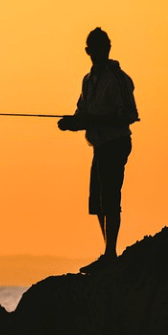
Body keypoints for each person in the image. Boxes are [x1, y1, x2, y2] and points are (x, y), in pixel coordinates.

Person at [59, 28, 139, 274]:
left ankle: (110, 254)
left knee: (110, 198)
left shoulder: (118, 79)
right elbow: (82, 113)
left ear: (108, 48)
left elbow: (129, 115)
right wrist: (72, 123)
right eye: (94, 49)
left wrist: (90, 120)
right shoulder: (88, 81)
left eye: (102, 47)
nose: (98, 53)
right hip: (99, 146)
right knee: (98, 202)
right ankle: (108, 252)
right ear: (88, 51)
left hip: (116, 143)